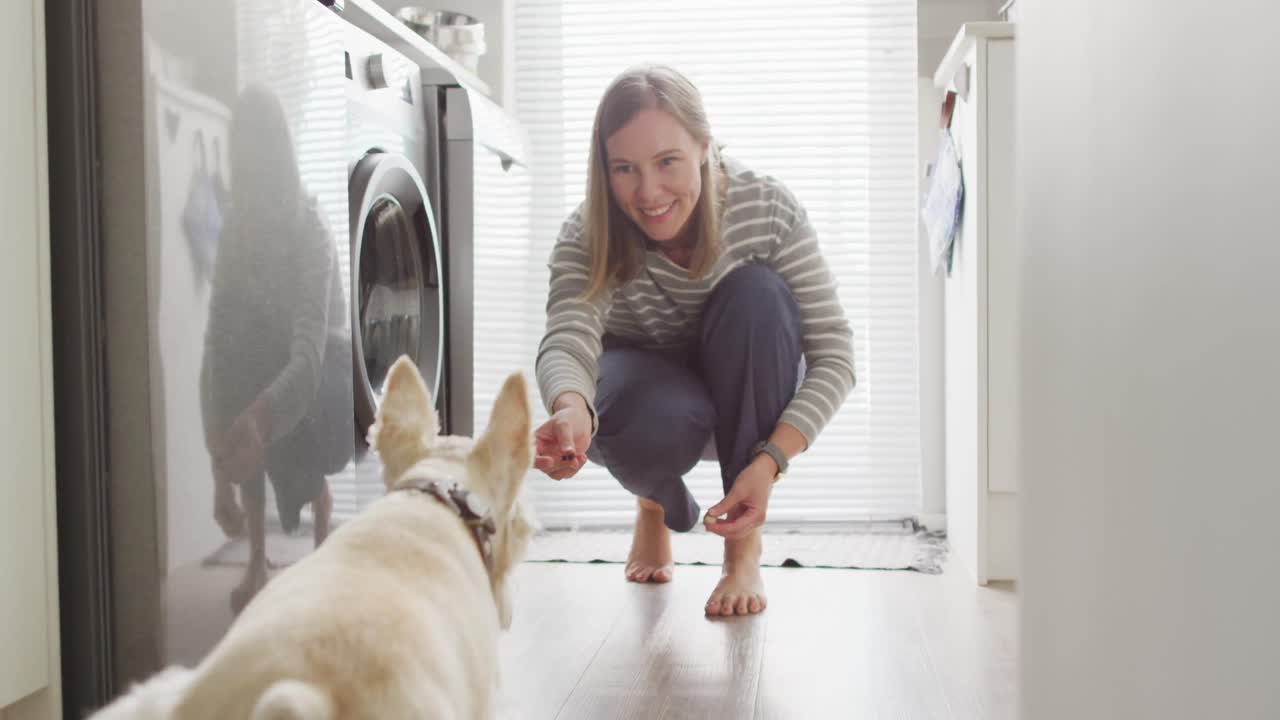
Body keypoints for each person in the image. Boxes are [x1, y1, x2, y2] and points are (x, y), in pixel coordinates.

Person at [532, 65, 856, 616]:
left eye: (667, 162)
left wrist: (771, 460)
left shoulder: (765, 208)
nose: (648, 192)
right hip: (647, 407)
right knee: (622, 398)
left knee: (760, 294)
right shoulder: (588, 231)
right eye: (625, 169)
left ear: (705, 146)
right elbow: (569, 336)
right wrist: (570, 408)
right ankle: (655, 504)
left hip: (749, 395)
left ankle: (742, 549)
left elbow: (835, 354)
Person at [200, 86, 354, 614]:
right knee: (235, 362)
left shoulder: (310, 228)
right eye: (240, 164)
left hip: (325, 377)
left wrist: (258, 419)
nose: (248, 179)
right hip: (266, 365)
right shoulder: (235, 230)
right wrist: (220, 470)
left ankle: (320, 514)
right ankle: (257, 558)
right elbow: (216, 343)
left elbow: (308, 356)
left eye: (257, 164)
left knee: (274, 381)